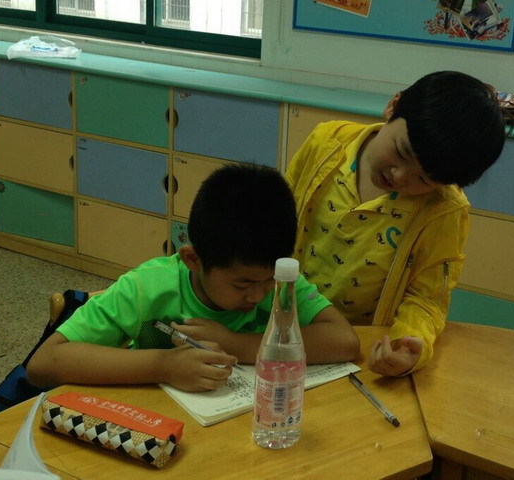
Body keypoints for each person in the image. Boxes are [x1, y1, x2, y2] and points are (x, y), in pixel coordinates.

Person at [27, 164, 360, 392]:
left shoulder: (282, 284)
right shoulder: (147, 288)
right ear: (193, 260)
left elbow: (344, 342)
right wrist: (163, 366)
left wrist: (234, 343)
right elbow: (44, 363)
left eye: (268, 281)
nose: (259, 295)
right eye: (242, 284)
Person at [285, 71, 505, 377]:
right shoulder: (327, 143)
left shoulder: (443, 210)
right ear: (393, 106)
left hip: (359, 353)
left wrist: (407, 345)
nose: (400, 176)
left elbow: (426, 299)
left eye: (423, 179)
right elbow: (273, 219)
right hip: (279, 322)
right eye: (402, 152)